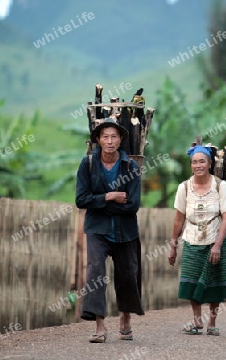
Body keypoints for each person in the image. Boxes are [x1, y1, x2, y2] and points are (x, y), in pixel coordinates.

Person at [75, 117, 144, 343]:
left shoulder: (130, 167)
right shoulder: (88, 164)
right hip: (97, 230)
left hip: (125, 231)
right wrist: (110, 197)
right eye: (105, 136)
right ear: (98, 139)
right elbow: (80, 199)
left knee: (128, 274)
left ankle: (125, 318)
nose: (110, 140)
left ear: (121, 139)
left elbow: (133, 204)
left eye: (114, 136)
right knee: (95, 273)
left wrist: (100, 204)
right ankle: (100, 325)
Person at [168, 145, 226, 336]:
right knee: (191, 279)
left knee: (216, 280)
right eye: (195, 162)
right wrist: (173, 245)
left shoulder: (220, 186)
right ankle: (197, 322)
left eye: (202, 161)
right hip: (192, 239)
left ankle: (212, 322)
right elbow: (179, 218)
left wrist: (218, 245)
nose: (198, 165)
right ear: (191, 165)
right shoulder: (184, 187)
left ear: (210, 163)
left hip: (217, 237)